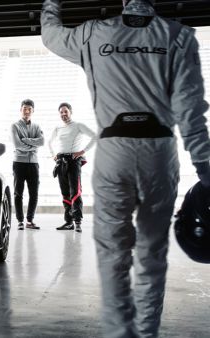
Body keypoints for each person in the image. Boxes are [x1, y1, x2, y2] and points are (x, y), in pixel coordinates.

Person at [41, 1, 210, 337]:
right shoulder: (179, 37)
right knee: (151, 253)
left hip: (114, 149)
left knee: (113, 253)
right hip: (159, 152)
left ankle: (121, 333)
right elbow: (191, 110)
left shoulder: (93, 33)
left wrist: (51, 5)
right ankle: (146, 334)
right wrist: (205, 168)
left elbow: (50, 35)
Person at [48, 103, 96, 233]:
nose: (63, 114)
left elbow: (95, 136)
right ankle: (69, 222)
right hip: (61, 162)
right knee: (65, 193)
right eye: (61, 112)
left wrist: (82, 152)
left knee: (75, 191)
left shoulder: (78, 125)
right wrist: (53, 155)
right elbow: (49, 142)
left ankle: (78, 221)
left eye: (65, 111)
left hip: (74, 161)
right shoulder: (58, 128)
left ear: (71, 112)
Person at [11, 99, 44, 230]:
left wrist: (25, 141)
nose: (27, 111)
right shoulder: (14, 126)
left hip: (33, 164)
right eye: (25, 108)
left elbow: (41, 142)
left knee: (34, 193)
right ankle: (20, 221)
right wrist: (33, 145)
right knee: (18, 193)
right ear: (21, 110)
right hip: (19, 163)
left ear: (33, 111)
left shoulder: (37, 126)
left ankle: (29, 220)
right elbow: (17, 144)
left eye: (29, 109)